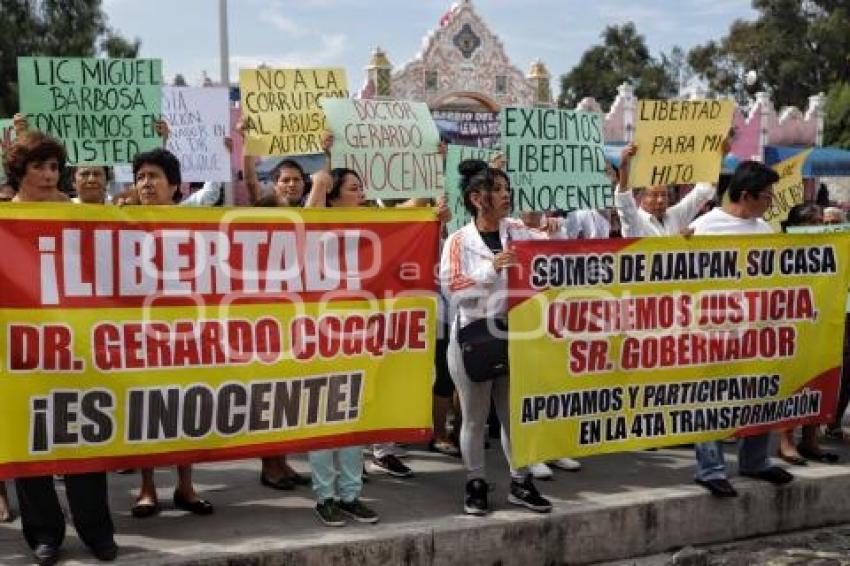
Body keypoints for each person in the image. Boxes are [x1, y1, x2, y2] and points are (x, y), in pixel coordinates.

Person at [3, 130, 116, 564]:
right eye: (39, 167)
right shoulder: (4, 219)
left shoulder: (79, 214)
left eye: (54, 167)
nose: (49, 175)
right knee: (31, 443)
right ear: (20, 171)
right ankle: (44, 534)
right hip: (22, 350)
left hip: (77, 343)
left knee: (83, 438)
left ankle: (96, 532)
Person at [440, 159, 552, 516]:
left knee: (513, 414)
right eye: (499, 190)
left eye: (507, 189)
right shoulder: (458, 240)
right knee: (474, 417)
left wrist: (547, 231)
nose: (507, 195)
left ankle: (520, 481)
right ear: (477, 198)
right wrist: (492, 268)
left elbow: (552, 253)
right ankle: (475, 483)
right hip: (474, 333)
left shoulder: (518, 229)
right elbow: (452, 289)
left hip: (517, 333)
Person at [689, 160, 794, 498]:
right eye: (766, 196)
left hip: (755, 330)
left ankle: (755, 461)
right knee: (710, 398)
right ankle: (710, 468)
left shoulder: (764, 230)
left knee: (759, 391)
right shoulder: (704, 228)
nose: (769, 203)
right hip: (714, 329)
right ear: (746, 196)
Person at [127, 148, 214, 519]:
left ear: (174, 185)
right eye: (141, 177)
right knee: (144, 409)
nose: (147, 183)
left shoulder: (193, 221)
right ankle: (147, 488)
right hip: (139, 330)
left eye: (155, 176)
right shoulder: (120, 221)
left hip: (184, 329)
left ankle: (186, 486)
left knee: (184, 407)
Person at [302, 167, 379, 526]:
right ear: (334, 196)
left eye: (361, 187)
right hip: (320, 336)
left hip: (358, 335)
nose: (361, 192)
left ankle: (351, 495)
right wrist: (319, 182)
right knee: (323, 420)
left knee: (352, 421)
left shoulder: (373, 225)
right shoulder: (320, 229)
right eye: (353, 187)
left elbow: (417, 211)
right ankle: (325, 497)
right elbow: (306, 222)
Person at [777, 204, 840, 464]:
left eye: (821, 221)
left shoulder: (833, 247)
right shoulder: (782, 247)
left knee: (819, 381)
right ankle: (786, 441)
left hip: (822, 323)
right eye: (813, 221)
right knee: (792, 383)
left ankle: (810, 440)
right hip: (791, 324)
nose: (820, 226)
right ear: (797, 224)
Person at [616, 142, 724, 237]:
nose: (660, 200)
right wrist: (624, 167)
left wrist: (720, 156)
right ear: (640, 198)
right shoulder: (634, 222)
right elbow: (624, 202)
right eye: (654, 195)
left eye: (664, 195)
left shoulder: (674, 216)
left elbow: (702, 192)